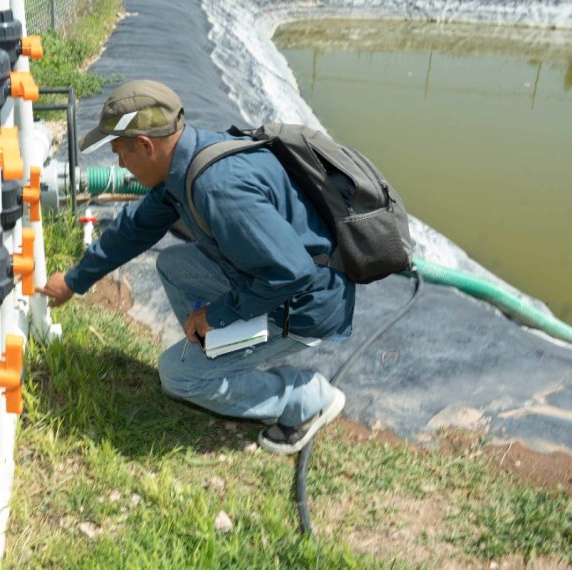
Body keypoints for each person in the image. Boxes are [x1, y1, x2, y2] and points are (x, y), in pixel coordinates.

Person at [36, 80, 354, 455]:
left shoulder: (218, 188)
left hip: (304, 308)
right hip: (275, 284)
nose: (119, 164)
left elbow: (292, 272)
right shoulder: (187, 164)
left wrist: (218, 314)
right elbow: (134, 229)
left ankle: (304, 400)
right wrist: (75, 281)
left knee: (178, 377)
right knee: (175, 265)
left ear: (145, 145)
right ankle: (221, 355)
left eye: (120, 152)